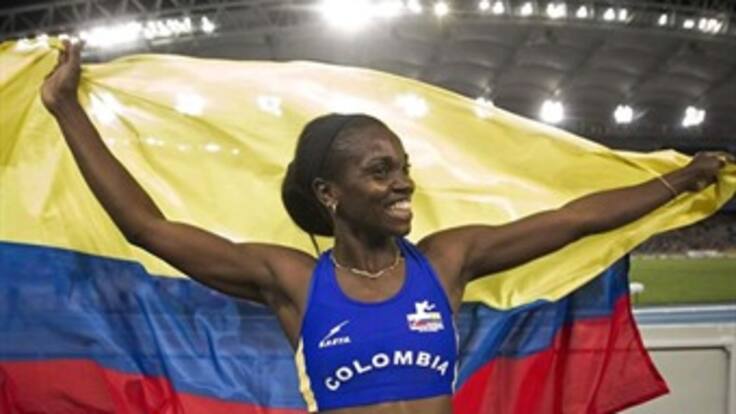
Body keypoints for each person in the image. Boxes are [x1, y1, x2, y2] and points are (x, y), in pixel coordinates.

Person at [41, 40, 733, 414]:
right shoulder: (292, 280)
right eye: (380, 171)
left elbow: (574, 219)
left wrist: (683, 179)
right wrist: (67, 107)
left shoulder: (446, 260)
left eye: (403, 168)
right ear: (330, 194)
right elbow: (146, 227)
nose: (403, 184)